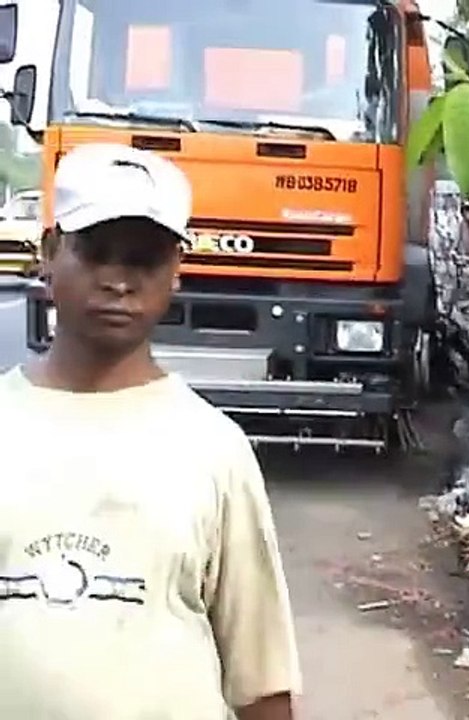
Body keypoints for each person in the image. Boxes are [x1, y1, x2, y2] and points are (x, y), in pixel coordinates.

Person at [0, 144, 301, 719]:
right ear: (49, 253)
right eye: (95, 253)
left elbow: (261, 678)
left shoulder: (214, 450)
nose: (119, 280)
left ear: (175, 274)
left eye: (144, 259)